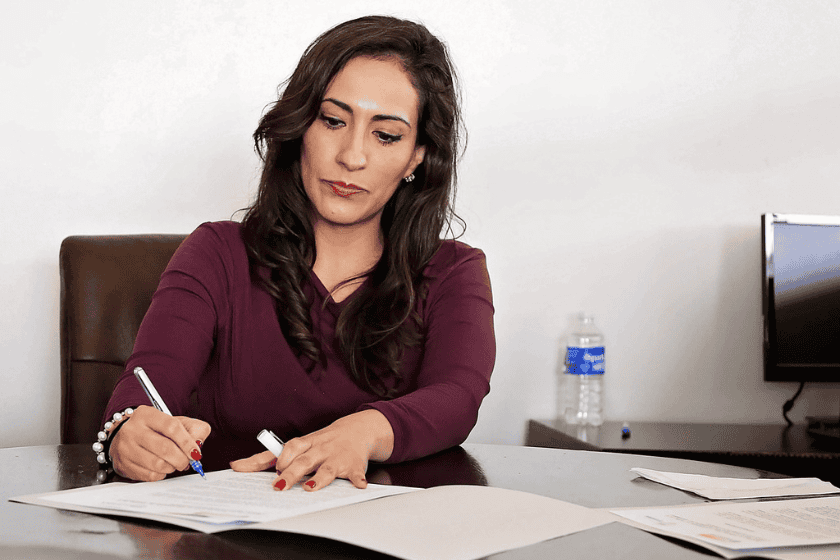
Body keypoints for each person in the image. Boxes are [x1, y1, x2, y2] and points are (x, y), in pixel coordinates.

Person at [99, 15, 495, 492]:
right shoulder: (216, 252)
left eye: (385, 134)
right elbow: (147, 385)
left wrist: (362, 432)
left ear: (416, 156)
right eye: (333, 121)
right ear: (302, 126)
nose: (351, 156)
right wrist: (128, 432)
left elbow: (457, 397)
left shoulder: (455, 271)